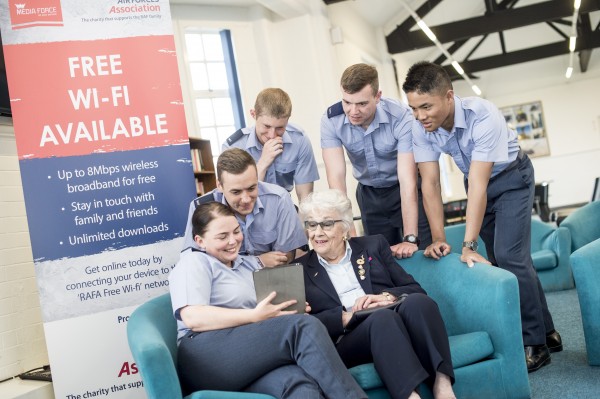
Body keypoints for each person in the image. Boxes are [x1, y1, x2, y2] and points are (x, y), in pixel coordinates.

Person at [402, 61, 561, 373]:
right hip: (476, 180)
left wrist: (469, 244)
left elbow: (479, 184)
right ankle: (548, 331)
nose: (420, 116)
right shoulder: (420, 128)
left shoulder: (482, 114)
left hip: (512, 177)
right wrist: (437, 237)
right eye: (413, 108)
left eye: (426, 106)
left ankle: (535, 343)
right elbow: (430, 184)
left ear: (448, 96)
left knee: (508, 255)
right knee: (504, 260)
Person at [170, 202, 368, 398]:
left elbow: (261, 320)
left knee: (298, 383)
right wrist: (255, 315)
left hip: (244, 356)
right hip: (204, 355)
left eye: (236, 231)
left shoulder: (247, 265)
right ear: (200, 241)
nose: (233, 241)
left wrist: (284, 310)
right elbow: (192, 317)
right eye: (222, 236)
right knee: (303, 327)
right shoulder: (195, 262)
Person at [297, 189, 456, 399]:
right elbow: (298, 325)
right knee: (381, 318)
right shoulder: (300, 269)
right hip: (348, 339)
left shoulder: (373, 246)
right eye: (311, 224)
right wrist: (345, 317)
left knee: (419, 303)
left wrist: (385, 297)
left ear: (345, 226)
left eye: (326, 224)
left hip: (393, 320)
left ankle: (442, 386)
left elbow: (415, 289)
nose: (317, 233)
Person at [321, 63, 431, 259]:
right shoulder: (331, 121)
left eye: (362, 104)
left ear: (378, 96)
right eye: (347, 102)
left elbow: (408, 181)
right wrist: (348, 231)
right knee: (379, 259)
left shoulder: (400, 117)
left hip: (403, 189)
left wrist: (411, 238)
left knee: (422, 255)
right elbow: (337, 181)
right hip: (369, 194)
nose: (353, 111)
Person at [182, 148, 307, 266]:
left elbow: (284, 257)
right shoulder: (201, 207)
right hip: (223, 281)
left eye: (252, 188)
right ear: (219, 185)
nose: (246, 199)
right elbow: (195, 261)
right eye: (236, 192)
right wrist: (257, 261)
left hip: (271, 277)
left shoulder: (280, 199)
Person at [223, 88, 319, 202]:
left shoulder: (299, 140)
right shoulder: (234, 147)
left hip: (284, 207)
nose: (272, 135)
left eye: (280, 128)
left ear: (288, 119)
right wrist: (263, 162)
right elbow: (239, 199)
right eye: (266, 126)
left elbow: (305, 198)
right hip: (248, 209)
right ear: (253, 114)